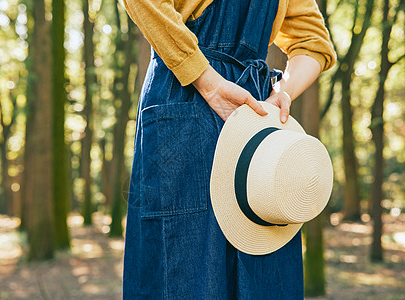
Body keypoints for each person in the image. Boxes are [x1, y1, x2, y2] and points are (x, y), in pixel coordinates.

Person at [122, 0, 336, 298]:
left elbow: (314, 41)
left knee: (264, 274)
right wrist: (206, 81)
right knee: (185, 272)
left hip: (254, 119)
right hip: (186, 94)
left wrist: (281, 94)